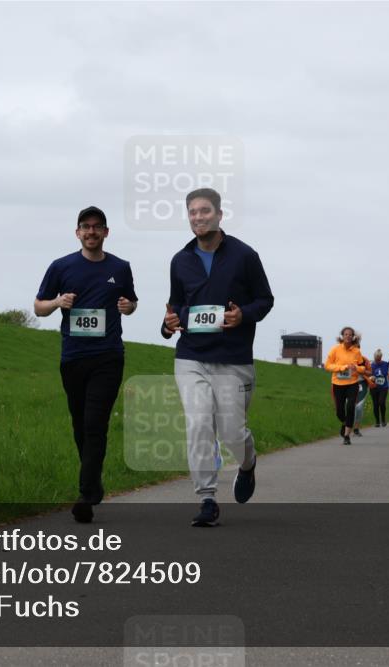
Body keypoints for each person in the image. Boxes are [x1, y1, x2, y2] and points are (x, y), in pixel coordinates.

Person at [162, 188, 274, 527]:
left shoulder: (244, 256)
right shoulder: (180, 260)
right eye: (193, 212)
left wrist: (244, 315)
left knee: (231, 433)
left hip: (234, 358)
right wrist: (168, 324)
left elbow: (265, 300)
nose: (199, 217)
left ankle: (247, 463)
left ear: (220, 214)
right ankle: (207, 499)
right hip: (192, 357)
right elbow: (177, 305)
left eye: (205, 211)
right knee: (198, 424)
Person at [35, 206, 138, 523]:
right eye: (86, 227)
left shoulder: (120, 268)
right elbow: (39, 307)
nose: (91, 232)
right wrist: (57, 302)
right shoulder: (61, 266)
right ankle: (93, 483)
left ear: (106, 233)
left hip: (108, 356)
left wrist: (127, 306)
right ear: (78, 232)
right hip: (73, 357)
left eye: (97, 227)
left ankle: (86, 495)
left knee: (95, 423)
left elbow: (132, 302)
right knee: (80, 425)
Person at [324, 327, 367, 445]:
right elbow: (327, 365)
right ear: (342, 336)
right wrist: (341, 368)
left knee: (350, 407)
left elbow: (363, 368)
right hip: (337, 383)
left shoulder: (356, 351)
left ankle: (347, 435)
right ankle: (345, 422)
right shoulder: (335, 349)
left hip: (352, 383)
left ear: (353, 337)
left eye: (350, 334)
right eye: (345, 334)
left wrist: (356, 368)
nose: (347, 336)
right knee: (339, 411)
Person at [352, 353, 373, 436]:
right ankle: (348, 426)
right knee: (350, 406)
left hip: (362, 384)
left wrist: (361, 370)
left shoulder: (364, 359)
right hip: (349, 384)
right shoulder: (345, 358)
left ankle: (356, 428)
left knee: (359, 407)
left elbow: (370, 372)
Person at [370, 349, 389, 427]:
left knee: (381, 402)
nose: (377, 361)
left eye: (379, 359)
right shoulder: (371, 365)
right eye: (376, 359)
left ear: (381, 357)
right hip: (374, 387)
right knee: (375, 404)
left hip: (383, 387)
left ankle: (383, 419)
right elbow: (368, 375)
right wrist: (371, 377)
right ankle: (377, 421)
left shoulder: (385, 364)